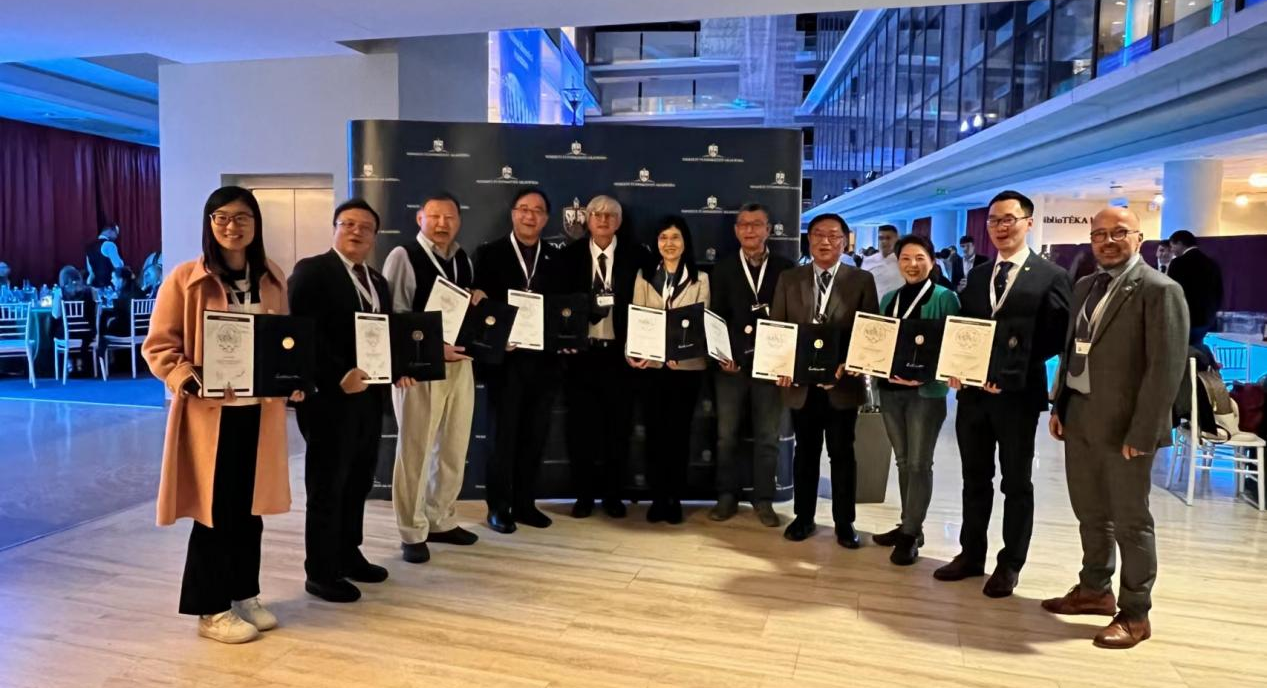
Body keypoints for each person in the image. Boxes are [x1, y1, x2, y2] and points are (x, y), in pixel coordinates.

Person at [141, 186, 304, 644]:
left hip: (259, 413)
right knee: (214, 512)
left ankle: (243, 593)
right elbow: (158, 347)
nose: (233, 226)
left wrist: (291, 376)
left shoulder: (271, 276)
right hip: (211, 417)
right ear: (210, 223)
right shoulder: (184, 279)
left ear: (256, 224)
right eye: (222, 218)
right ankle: (210, 608)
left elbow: (282, 340)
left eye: (242, 217)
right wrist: (186, 377)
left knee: (250, 509)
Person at [1045, 207, 1188, 649]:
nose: (1107, 241)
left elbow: (1165, 369)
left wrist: (1144, 432)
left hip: (1126, 425)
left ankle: (1135, 613)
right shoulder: (1085, 285)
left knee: (1130, 520)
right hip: (1080, 415)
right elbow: (1072, 350)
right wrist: (1060, 404)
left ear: (1139, 238)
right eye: (1099, 234)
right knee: (1089, 511)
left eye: (1119, 233)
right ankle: (1094, 589)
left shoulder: (1160, 290)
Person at [934, 190, 1073, 598]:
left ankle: (1010, 563)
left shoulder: (1051, 275)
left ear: (1028, 222)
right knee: (974, 478)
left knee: (1016, 482)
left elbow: (1058, 336)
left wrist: (1008, 369)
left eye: (1009, 219)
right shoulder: (978, 276)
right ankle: (970, 553)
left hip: (1017, 396)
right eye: (994, 220)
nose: (1000, 227)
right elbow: (965, 331)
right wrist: (957, 367)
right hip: (973, 396)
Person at [290, 198, 411, 603]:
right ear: (335, 228)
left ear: (375, 236)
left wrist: (399, 367)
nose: (357, 232)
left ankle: (348, 553)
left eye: (366, 227)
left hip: (369, 396)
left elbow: (383, 333)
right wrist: (336, 375)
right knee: (327, 483)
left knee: (358, 479)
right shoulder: (312, 271)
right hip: (329, 399)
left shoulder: (376, 281)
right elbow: (303, 333)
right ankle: (321, 570)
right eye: (348, 224)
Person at [383, 191, 481, 564]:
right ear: (419, 218)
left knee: (454, 446)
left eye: (450, 217)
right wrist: (427, 351)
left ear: (459, 221)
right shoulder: (403, 256)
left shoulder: (462, 258)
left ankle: (441, 518)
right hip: (420, 368)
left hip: (460, 363)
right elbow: (394, 315)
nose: (442, 224)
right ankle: (411, 529)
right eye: (435, 216)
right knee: (416, 450)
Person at [772, 213, 879, 548]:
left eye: (834, 235)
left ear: (845, 242)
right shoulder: (789, 279)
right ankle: (803, 518)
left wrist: (849, 364)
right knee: (805, 453)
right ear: (809, 239)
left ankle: (844, 523)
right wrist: (781, 365)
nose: (825, 241)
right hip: (801, 386)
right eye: (818, 234)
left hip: (841, 386)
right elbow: (779, 328)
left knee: (842, 455)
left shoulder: (861, 280)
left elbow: (869, 333)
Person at [474, 188, 562, 534]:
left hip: (544, 363)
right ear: (513, 214)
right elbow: (478, 304)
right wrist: (496, 337)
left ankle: (526, 504)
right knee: (502, 438)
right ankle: (498, 507)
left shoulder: (556, 257)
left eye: (537, 210)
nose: (530, 216)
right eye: (524, 209)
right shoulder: (488, 254)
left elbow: (563, 308)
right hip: (505, 362)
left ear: (546, 218)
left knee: (534, 437)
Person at [557, 195, 651, 519]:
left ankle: (613, 495)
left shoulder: (638, 257)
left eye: (611, 215)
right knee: (580, 430)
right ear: (587, 219)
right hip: (581, 357)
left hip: (620, 358)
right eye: (597, 213)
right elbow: (557, 304)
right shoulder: (568, 257)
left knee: (618, 430)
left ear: (619, 222)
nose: (603, 219)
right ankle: (584, 496)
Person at [873, 235, 960, 565]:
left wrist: (927, 375)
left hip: (925, 393)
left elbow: (953, 346)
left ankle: (910, 534)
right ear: (898, 263)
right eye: (906, 258)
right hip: (890, 391)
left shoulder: (945, 298)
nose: (912, 264)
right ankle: (909, 524)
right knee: (903, 461)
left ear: (932, 262)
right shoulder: (890, 299)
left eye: (920, 258)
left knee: (920, 463)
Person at [708, 203, 795, 527]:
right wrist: (721, 355)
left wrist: (784, 362)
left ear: (768, 230)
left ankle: (764, 499)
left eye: (757, 224)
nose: (749, 230)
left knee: (768, 437)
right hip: (731, 367)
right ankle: (726, 496)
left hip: (770, 367)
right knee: (726, 436)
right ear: (735, 231)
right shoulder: (723, 268)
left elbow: (792, 319)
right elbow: (715, 317)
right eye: (743, 224)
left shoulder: (786, 268)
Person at [628, 215, 710, 524]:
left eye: (675, 237)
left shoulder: (701, 279)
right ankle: (657, 497)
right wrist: (636, 352)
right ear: (656, 243)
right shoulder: (645, 276)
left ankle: (674, 498)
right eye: (663, 238)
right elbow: (637, 318)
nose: (669, 243)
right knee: (654, 434)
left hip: (686, 369)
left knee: (679, 435)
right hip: (652, 368)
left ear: (685, 242)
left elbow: (702, 325)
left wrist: (682, 352)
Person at [1166, 230, 1223, 353]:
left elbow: (1172, 293)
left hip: (1185, 318)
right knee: (1197, 347)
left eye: (1172, 246)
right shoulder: (1212, 263)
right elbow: (1219, 292)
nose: (1172, 250)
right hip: (1206, 319)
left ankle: (1204, 360)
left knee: (1183, 352)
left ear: (1180, 243)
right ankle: (1205, 362)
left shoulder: (1178, 263)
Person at [50, 265, 98, 373]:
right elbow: (96, 312)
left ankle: (68, 360)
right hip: (87, 333)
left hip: (69, 333)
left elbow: (56, 315)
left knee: (53, 329)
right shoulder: (91, 290)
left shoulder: (60, 292)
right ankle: (80, 361)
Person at [102, 267, 147, 336]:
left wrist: (114, 301)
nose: (111, 281)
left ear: (121, 280)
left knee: (106, 318)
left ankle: (100, 340)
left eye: (113, 278)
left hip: (127, 330)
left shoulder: (126, 294)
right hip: (143, 329)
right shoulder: (139, 291)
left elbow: (121, 314)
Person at [861, 224, 903, 299]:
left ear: (897, 239)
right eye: (881, 238)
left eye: (888, 238)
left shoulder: (903, 261)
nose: (884, 241)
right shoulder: (868, 261)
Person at [86, 224, 124, 289]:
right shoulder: (109, 245)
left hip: (95, 286)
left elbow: (90, 270)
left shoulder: (90, 247)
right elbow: (118, 266)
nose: (116, 237)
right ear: (110, 231)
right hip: (110, 286)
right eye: (116, 233)